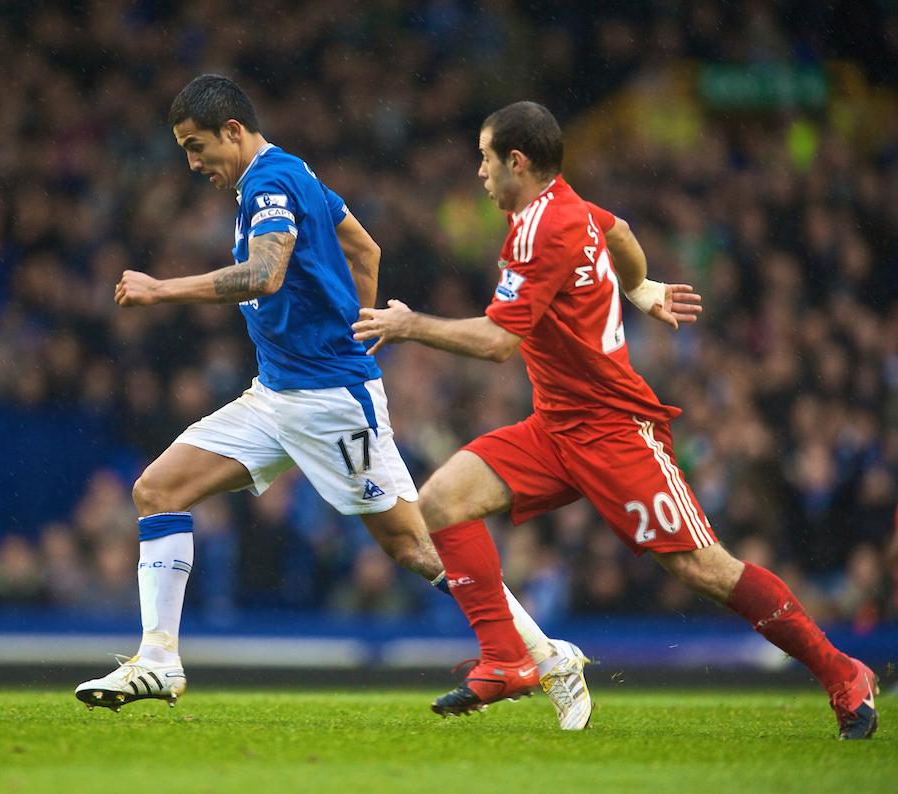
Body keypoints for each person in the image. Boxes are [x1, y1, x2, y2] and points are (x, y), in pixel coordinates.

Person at [75, 76, 591, 729]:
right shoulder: (291, 173)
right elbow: (363, 247)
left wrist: (161, 290)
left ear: (233, 130)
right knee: (158, 489)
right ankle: (159, 659)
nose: (191, 163)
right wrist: (359, 327)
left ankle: (544, 656)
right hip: (276, 395)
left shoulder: (268, 184)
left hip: (329, 404)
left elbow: (265, 273)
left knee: (414, 547)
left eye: (197, 146)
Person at [352, 101, 879, 739]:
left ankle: (843, 671)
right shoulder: (569, 208)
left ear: (517, 162)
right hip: (554, 428)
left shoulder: (537, 230)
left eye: (486, 159)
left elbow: (497, 343)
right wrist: (642, 288)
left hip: (613, 429)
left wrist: (410, 325)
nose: (480, 173)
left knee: (702, 570)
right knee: (440, 503)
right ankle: (508, 659)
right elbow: (621, 230)